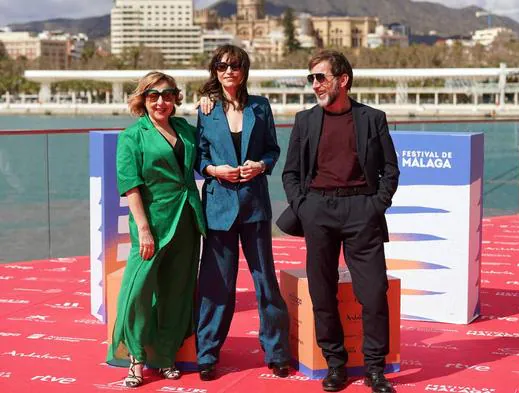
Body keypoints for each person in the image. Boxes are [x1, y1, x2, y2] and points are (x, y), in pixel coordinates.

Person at [279, 50, 399, 393]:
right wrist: (303, 207)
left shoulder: (372, 118)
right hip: (317, 211)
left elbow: (389, 169)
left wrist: (377, 205)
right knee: (322, 291)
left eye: (321, 77)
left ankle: (376, 369)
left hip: (362, 211)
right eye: (311, 78)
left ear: (342, 79)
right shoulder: (304, 121)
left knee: (374, 292)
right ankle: (335, 365)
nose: (315, 85)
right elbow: (290, 173)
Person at [195, 44, 291, 381]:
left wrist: (261, 165)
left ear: (244, 70)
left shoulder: (261, 107)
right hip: (218, 206)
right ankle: (207, 353)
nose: (228, 71)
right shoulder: (206, 109)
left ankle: (277, 352)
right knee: (216, 283)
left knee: (265, 281)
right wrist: (213, 171)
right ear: (215, 71)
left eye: (235, 66)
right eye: (222, 66)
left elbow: (273, 150)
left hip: (254, 205)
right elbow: (199, 158)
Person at [107, 71, 206, 388]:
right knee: (137, 293)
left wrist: (210, 105)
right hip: (152, 224)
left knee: (177, 293)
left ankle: (165, 357)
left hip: (188, 220)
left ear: (176, 97)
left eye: (168, 94)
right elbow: (130, 186)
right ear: (142, 99)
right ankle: (135, 359)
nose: (161, 101)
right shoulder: (132, 136)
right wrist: (144, 229)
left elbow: (212, 149)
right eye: (153, 95)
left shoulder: (185, 129)